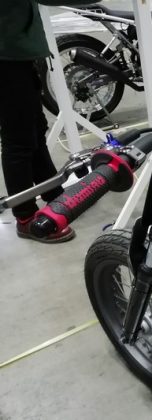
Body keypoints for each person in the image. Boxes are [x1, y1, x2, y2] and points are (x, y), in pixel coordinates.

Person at [0, 0, 94, 243]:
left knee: (34, 129)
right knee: (18, 139)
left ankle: (54, 195)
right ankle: (25, 217)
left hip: (17, 52)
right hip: (7, 56)